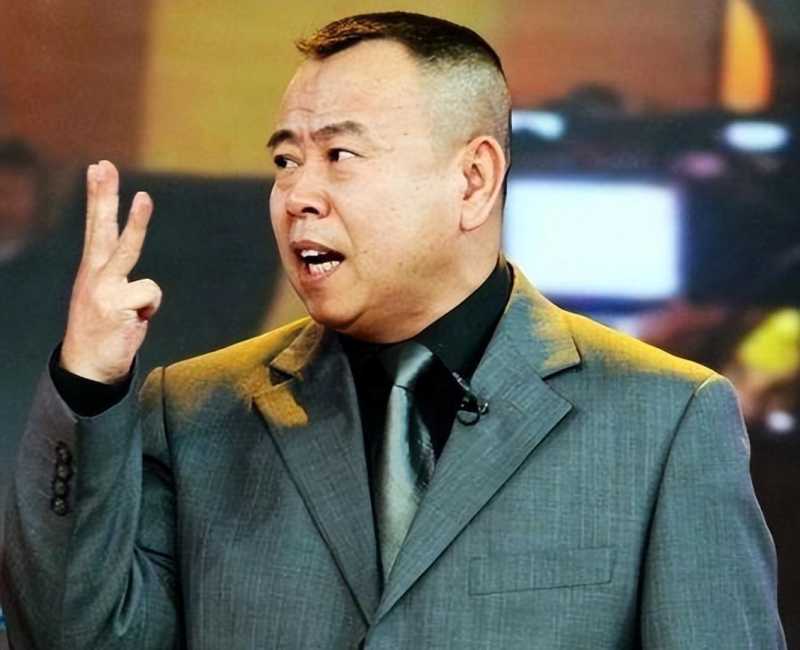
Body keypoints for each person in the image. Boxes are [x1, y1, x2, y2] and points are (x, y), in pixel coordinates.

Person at [0, 12, 785, 649]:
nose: (298, 195)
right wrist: (86, 384)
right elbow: (70, 636)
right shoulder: (197, 411)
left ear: (473, 180)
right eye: (285, 161)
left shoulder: (663, 420)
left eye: (340, 154)